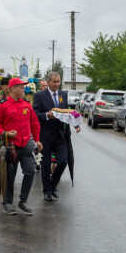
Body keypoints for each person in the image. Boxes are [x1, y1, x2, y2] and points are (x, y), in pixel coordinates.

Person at [0, 77, 42, 215]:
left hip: (26, 145)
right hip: (11, 146)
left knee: (30, 171)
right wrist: (6, 133)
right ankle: (7, 202)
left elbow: (34, 123)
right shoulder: (2, 106)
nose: (23, 89)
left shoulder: (26, 104)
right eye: (20, 87)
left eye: (23, 87)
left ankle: (23, 201)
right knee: (9, 176)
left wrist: (36, 140)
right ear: (12, 89)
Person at [33, 72, 80, 202]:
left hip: (61, 135)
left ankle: (53, 184)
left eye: (58, 82)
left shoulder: (63, 95)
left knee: (63, 161)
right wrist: (46, 115)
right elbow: (35, 113)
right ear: (48, 82)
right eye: (54, 82)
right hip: (46, 135)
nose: (56, 84)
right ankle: (47, 191)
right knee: (46, 164)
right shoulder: (39, 96)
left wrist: (76, 124)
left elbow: (66, 111)